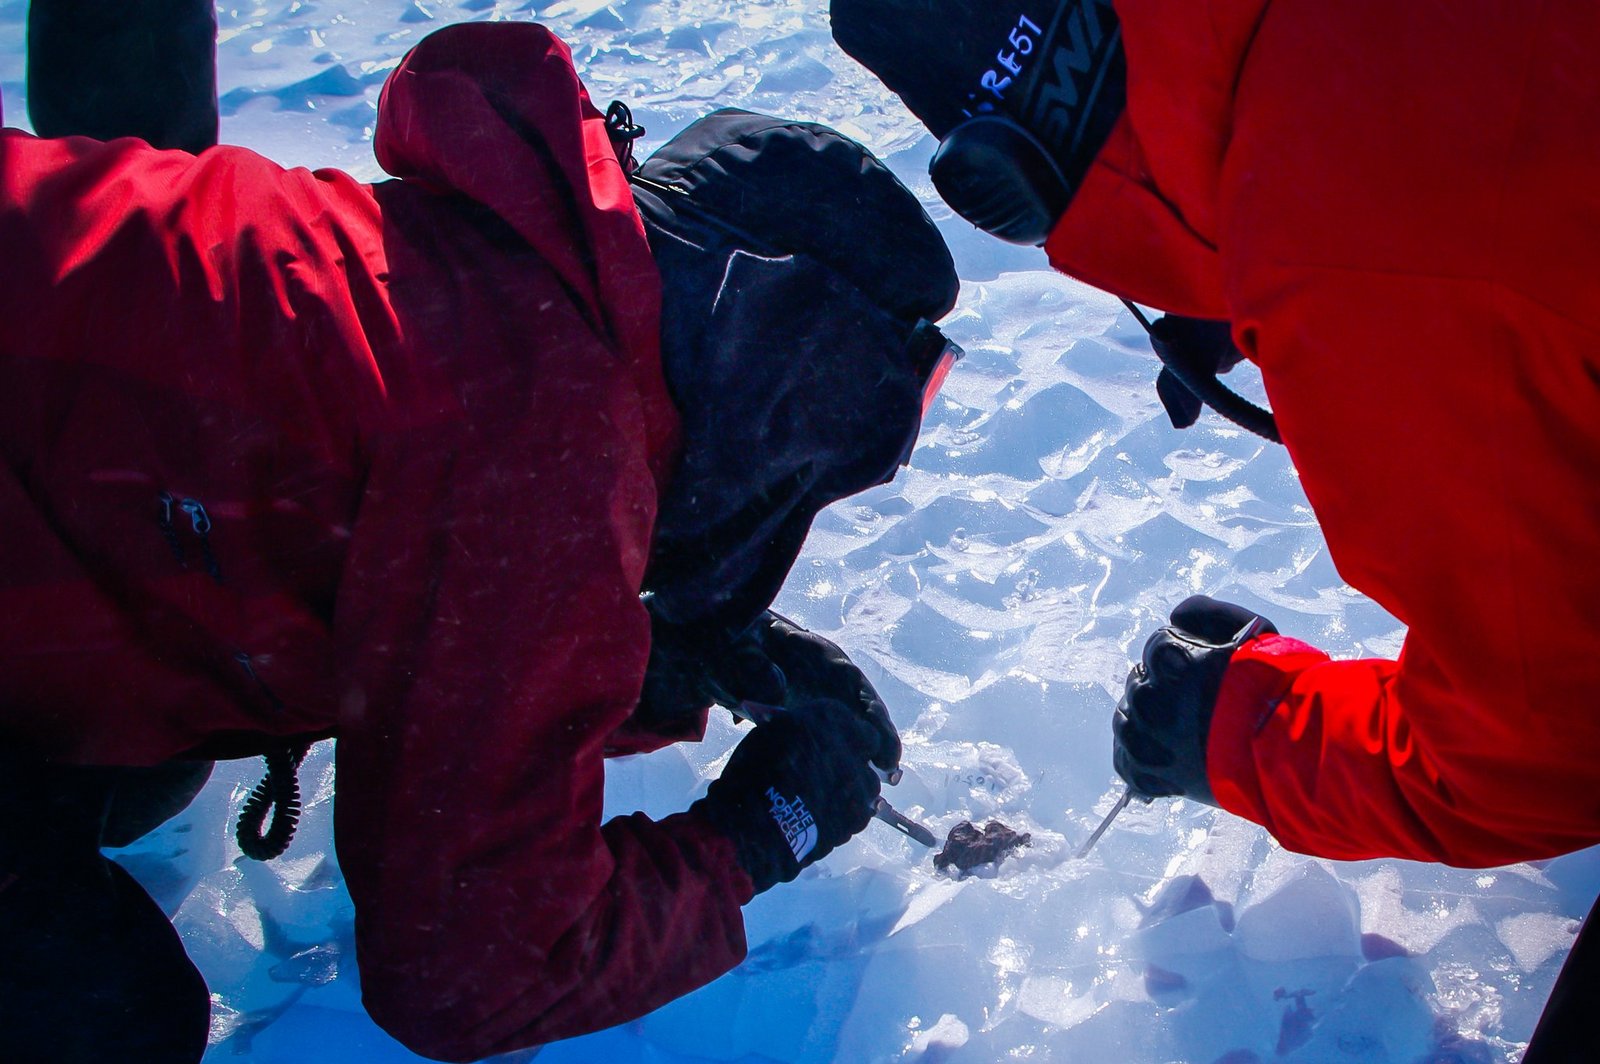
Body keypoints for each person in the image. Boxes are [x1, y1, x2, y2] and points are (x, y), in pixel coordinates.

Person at [0, 13, 961, 1063]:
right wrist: (758, 832)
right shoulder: (545, 438)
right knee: (104, 1014)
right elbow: (470, 970)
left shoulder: (511, 276)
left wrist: (651, 655)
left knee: (134, 780)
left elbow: (421, 589)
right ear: (784, 370)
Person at [833, 0, 1600, 1055]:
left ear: (1008, 163)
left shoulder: (1357, 263)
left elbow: (1546, 753)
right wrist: (1224, 247)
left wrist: (1241, 729)